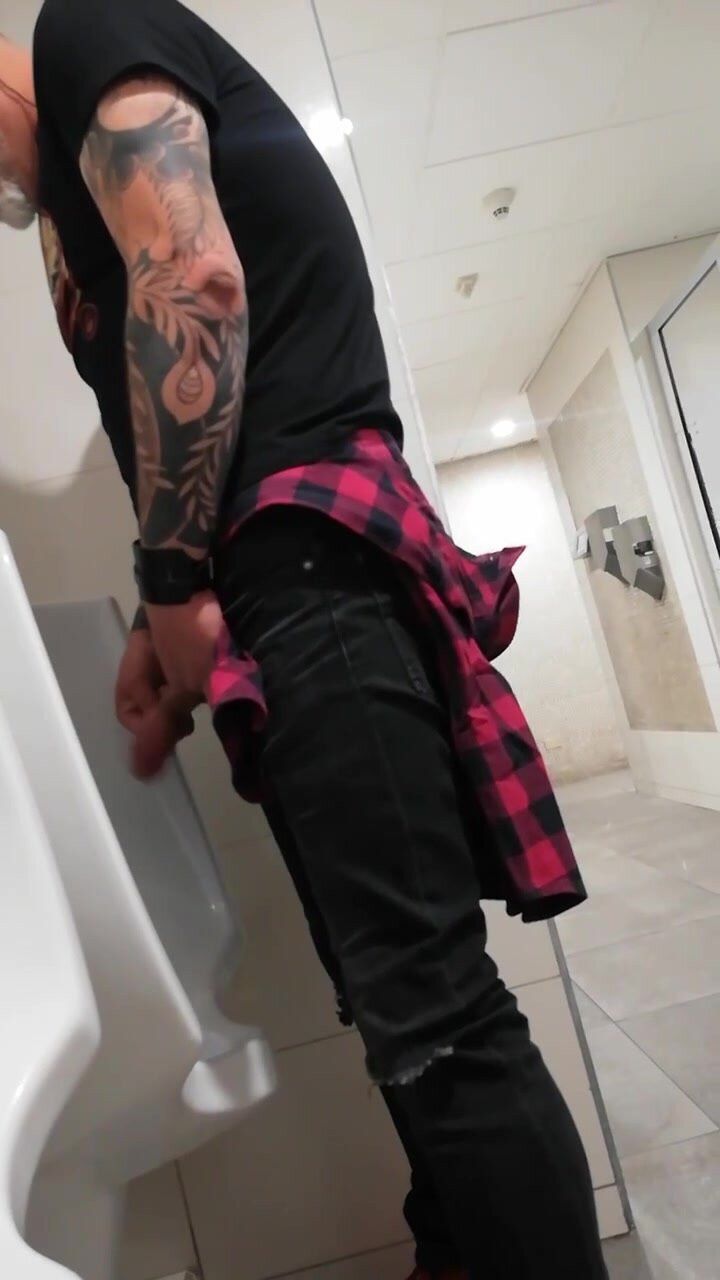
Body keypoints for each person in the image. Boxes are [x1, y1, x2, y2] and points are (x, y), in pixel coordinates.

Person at [0, 3, 609, 1276]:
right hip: (291, 567)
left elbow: (196, 279)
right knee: (406, 1013)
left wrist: (173, 577)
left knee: (436, 1020)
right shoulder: (69, 171)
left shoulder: (85, 30)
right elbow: (205, 381)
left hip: (309, 565)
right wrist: (161, 603)